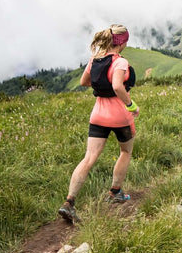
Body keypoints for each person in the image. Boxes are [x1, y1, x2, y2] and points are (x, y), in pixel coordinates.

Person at [58, 25, 139, 223]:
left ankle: (69, 202)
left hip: (98, 115)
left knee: (89, 158)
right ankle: (115, 192)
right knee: (125, 152)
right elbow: (118, 86)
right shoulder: (120, 62)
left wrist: (100, 87)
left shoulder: (95, 60)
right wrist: (131, 105)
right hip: (120, 115)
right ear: (121, 42)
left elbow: (84, 81)